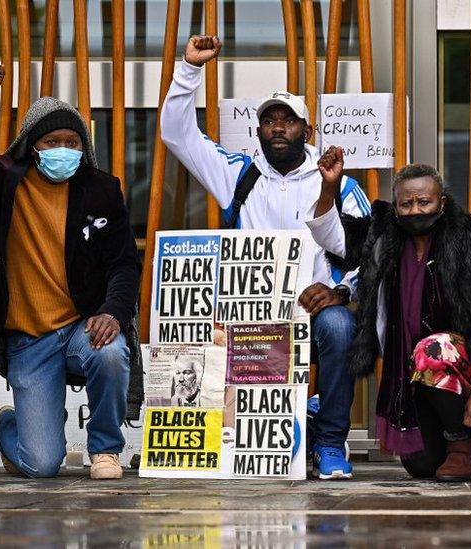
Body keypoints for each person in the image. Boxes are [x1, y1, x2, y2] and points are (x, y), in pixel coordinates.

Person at [160, 35, 370, 479]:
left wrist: (339, 290)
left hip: (311, 318)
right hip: (246, 320)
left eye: (289, 121)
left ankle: (330, 442)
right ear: (258, 131)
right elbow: (177, 134)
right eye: (269, 120)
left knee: (340, 326)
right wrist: (189, 70)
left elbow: (372, 258)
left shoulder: (339, 184)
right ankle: (242, 439)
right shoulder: (238, 174)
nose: (278, 127)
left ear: (306, 131)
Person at [0, 62, 142, 479]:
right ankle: (11, 424)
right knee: (41, 464)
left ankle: (105, 449)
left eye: (72, 141)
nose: (63, 149)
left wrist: (114, 312)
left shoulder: (102, 188)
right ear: (33, 146)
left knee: (111, 351)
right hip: (28, 339)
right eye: (53, 141)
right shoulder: (0, 181)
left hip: (81, 327)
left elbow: (123, 262)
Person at [310, 164, 471, 482]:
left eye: (424, 202)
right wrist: (329, 188)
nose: (415, 210)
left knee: (432, 350)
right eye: (406, 204)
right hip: (408, 373)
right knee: (422, 467)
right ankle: (441, 437)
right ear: (396, 206)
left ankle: (465, 442)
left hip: (456, 367)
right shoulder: (382, 236)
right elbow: (330, 237)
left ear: (441, 202)